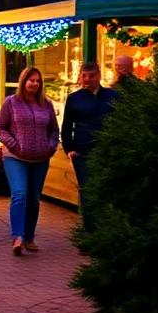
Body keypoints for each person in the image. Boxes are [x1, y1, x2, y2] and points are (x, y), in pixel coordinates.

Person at [0, 67, 59, 256]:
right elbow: (0, 128)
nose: (35, 84)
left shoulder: (46, 105)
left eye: (38, 81)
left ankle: (29, 237)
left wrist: (51, 146)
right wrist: (13, 145)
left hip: (40, 158)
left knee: (33, 199)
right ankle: (17, 237)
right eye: (31, 80)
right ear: (23, 81)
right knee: (20, 194)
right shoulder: (11, 103)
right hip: (16, 157)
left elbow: (54, 130)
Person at [61, 61, 118, 232]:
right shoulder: (74, 99)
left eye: (91, 76)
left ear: (99, 75)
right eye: (84, 75)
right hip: (82, 153)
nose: (87, 79)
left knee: (106, 191)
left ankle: (105, 232)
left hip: (107, 152)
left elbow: (121, 120)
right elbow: (67, 126)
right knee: (87, 192)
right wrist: (69, 149)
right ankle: (90, 234)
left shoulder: (112, 96)